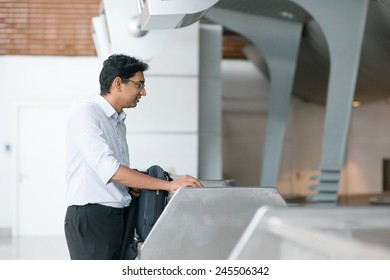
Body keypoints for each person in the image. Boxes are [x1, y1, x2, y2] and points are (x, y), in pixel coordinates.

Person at [64, 54, 202, 260]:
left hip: (117, 218)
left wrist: (132, 183)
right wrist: (168, 185)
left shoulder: (118, 122)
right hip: (92, 218)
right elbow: (109, 169)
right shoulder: (86, 113)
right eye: (139, 85)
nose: (143, 92)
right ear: (118, 83)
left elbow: (114, 170)